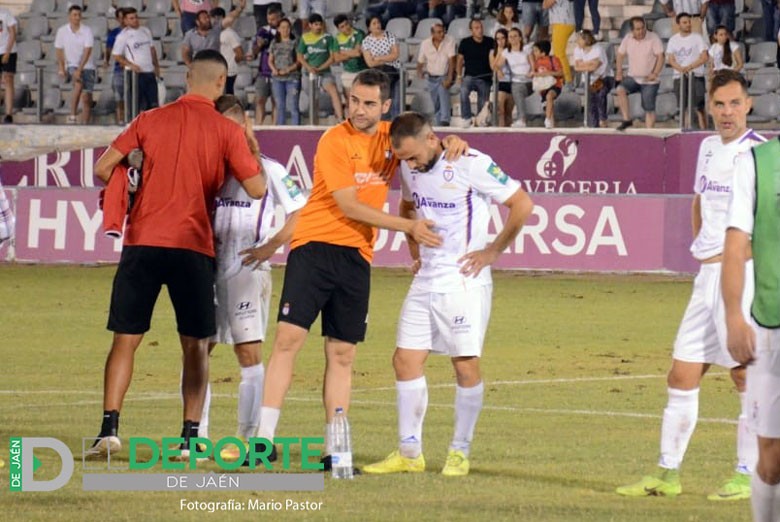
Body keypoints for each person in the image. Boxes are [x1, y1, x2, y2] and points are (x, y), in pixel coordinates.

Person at [253, 69, 467, 470]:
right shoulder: (334, 140)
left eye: (369, 103)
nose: (358, 109)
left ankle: (334, 449)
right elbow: (349, 205)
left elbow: (428, 145)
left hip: (357, 257)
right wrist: (409, 228)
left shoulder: (392, 137)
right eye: (354, 100)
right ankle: (263, 440)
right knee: (287, 340)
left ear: (385, 106)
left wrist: (454, 142)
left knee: (343, 353)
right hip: (315, 246)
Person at [86, 50, 266, 459]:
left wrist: (134, 162)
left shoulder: (149, 119)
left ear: (187, 77)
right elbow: (256, 188)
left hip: (143, 241)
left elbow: (102, 168)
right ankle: (189, 438)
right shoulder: (226, 130)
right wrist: (245, 143)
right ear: (222, 83)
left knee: (126, 339)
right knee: (195, 345)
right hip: (193, 245)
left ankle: (109, 431)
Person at [616, 70, 764, 501]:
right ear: (709, 107)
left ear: (748, 105)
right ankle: (667, 473)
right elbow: (700, 201)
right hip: (706, 279)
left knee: (745, 376)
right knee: (681, 373)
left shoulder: (760, 154)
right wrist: (704, 249)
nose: (726, 112)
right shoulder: (706, 148)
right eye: (719, 104)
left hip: (741, 278)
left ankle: (747, 473)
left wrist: (739, 260)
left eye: (734, 103)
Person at [363, 111, 533, 477]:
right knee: (404, 360)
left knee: (464, 364)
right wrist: (413, 248)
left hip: (463, 281)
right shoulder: (410, 168)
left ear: (432, 139)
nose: (409, 164)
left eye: (412, 155)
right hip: (427, 278)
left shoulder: (471, 163)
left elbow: (522, 204)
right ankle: (409, 452)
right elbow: (408, 207)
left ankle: (459, 451)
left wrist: (492, 252)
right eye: (403, 159)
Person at [198, 94, 305, 459]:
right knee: (200, 349)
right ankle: (197, 436)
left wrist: (270, 246)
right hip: (207, 268)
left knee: (248, 353)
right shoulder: (207, 168)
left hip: (247, 270)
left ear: (244, 125)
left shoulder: (269, 169)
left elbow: (300, 212)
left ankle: (248, 441)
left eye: (232, 126)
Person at [723, 92, 780, 522]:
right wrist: (733, 316)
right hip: (772, 325)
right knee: (772, 458)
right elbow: (736, 245)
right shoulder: (757, 163)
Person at [615, 17, 664, 130]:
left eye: (643, 28)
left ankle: (649, 132)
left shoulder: (653, 37)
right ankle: (627, 119)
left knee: (649, 108)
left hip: (649, 80)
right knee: (620, 89)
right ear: (632, 30)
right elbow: (620, 55)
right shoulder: (627, 38)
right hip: (633, 77)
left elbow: (660, 56)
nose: (641, 31)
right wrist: (619, 71)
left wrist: (655, 73)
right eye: (637, 29)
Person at [112, 8, 161, 113]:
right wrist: (131, 65)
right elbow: (116, 55)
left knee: (153, 104)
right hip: (136, 74)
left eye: (136, 17)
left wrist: (156, 66)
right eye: (131, 18)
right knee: (138, 104)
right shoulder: (123, 36)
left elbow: (152, 49)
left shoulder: (145, 31)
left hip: (149, 71)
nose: (135, 20)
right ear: (125, 20)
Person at [297, 13, 344, 123]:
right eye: (316, 24)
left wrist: (321, 68)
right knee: (314, 98)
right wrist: (309, 68)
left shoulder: (328, 38)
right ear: (310, 25)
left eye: (320, 24)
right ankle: (315, 123)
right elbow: (299, 56)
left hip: (324, 72)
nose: (318, 27)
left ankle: (341, 119)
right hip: (309, 73)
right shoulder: (305, 38)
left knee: (333, 90)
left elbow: (332, 57)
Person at [666, 12, 708, 129]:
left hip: (696, 75)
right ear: (679, 24)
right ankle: (685, 128)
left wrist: (689, 67)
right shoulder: (673, 40)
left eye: (689, 22)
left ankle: (703, 129)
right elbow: (671, 59)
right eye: (685, 22)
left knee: (698, 105)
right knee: (683, 106)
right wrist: (680, 69)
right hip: (679, 76)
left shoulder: (697, 38)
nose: (688, 25)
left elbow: (704, 57)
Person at [54, 5, 96, 124]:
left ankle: (85, 123)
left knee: (87, 97)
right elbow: (59, 50)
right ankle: (72, 115)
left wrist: (81, 68)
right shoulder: (62, 31)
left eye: (79, 15)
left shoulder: (87, 30)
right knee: (78, 84)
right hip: (72, 64)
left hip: (87, 65)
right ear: (69, 16)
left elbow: (87, 50)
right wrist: (62, 67)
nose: (77, 18)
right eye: (74, 15)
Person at [416, 22, 456, 127]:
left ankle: (445, 121)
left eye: (443, 31)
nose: (442, 34)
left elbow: (452, 60)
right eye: (438, 32)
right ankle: (440, 126)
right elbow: (420, 61)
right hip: (431, 77)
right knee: (436, 104)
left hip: (444, 75)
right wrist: (419, 71)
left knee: (444, 98)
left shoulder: (450, 40)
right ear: (432, 33)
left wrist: (450, 77)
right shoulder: (425, 44)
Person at [361, 15, 402, 120]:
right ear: (369, 27)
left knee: (395, 100)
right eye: (374, 23)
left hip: (393, 72)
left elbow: (395, 55)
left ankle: (395, 123)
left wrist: (378, 58)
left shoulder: (390, 36)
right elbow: (370, 63)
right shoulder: (366, 41)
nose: (377, 25)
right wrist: (386, 58)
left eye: (378, 23)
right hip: (377, 76)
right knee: (382, 100)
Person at [456, 19, 494, 128]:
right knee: (463, 91)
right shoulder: (465, 42)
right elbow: (459, 60)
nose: (480, 30)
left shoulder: (490, 41)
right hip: (470, 76)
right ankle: (466, 117)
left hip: (485, 77)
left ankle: (480, 120)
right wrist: (459, 75)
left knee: (482, 103)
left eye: (481, 27)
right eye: (476, 28)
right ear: (471, 30)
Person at [181, 2, 244, 67]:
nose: (208, 20)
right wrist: (190, 65)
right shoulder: (190, 35)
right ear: (198, 22)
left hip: (215, 64)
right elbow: (185, 52)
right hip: (199, 66)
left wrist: (240, 8)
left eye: (208, 17)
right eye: (205, 18)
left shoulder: (216, 29)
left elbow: (230, 18)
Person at [574, 29, 611, 128]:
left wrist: (584, 64)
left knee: (600, 95)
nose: (577, 41)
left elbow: (595, 66)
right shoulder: (577, 50)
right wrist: (590, 62)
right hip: (588, 80)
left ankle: (603, 119)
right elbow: (577, 67)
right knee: (591, 100)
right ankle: (594, 125)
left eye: (579, 39)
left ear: (586, 39)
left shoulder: (598, 49)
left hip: (603, 77)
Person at [252, 4, 281, 125]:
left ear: (279, 17)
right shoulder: (263, 31)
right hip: (263, 71)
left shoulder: (284, 30)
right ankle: (258, 126)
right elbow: (255, 51)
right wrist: (258, 45)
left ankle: (274, 127)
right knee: (259, 100)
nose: (271, 22)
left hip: (278, 72)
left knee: (276, 101)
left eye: (273, 19)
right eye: (269, 19)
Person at [268, 18, 300, 125]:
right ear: (278, 29)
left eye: (287, 27)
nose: (285, 30)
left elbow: (299, 61)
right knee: (280, 106)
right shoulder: (274, 43)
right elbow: (270, 60)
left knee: (293, 106)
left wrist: (287, 70)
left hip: (292, 78)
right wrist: (274, 69)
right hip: (278, 79)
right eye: (283, 27)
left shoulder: (295, 42)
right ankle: (281, 130)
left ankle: (296, 131)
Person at [332, 14, 367, 107]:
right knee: (349, 101)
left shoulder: (359, 33)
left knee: (362, 101)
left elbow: (358, 53)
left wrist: (343, 52)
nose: (346, 28)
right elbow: (336, 58)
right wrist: (350, 53)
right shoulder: (337, 38)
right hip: (347, 71)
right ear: (338, 29)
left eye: (347, 24)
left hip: (361, 71)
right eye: (342, 27)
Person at [531, 40, 563, 129]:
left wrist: (548, 73)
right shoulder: (536, 62)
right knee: (549, 108)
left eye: (536, 51)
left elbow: (561, 73)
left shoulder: (554, 60)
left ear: (543, 52)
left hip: (555, 85)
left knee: (549, 96)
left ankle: (547, 119)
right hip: (543, 89)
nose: (534, 53)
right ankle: (551, 126)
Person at [504, 28, 533, 128]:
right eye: (510, 36)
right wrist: (499, 71)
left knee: (517, 88)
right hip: (517, 80)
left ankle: (522, 118)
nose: (513, 38)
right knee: (516, 88)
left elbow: (532, 65)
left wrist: (531, 72)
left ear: (520, 38)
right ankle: (522, 119)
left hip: (529, 81)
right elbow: (496, 65)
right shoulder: (506, 52)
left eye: (515, 36)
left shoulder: (526, 49)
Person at [212, 8, 244, 95]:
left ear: (224, 18)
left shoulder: (229, 33)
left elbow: (240, 53)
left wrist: (232, 64)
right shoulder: (212, 33)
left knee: (228, 98)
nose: (216, 20)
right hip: (217, 70)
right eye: (213, 18)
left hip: (229, 72)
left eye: (218, 17)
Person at [543, 0, 575, 85]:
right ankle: (564, 79)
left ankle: (568, 80)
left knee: (559, 54)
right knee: (558, 53)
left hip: (563, 22)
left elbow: (546, 4)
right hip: (560, 22)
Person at [105, 8, 127, 124]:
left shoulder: (134, 32)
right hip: (119, 69)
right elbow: (109, 49)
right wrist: (106, 60)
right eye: (120, 17)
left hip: (133, 71)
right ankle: (120, 120)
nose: (123, 20)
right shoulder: (114, 33)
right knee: (119, 97)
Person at [489, 29, 513, 127]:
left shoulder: (511, 51)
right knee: (501, 111)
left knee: (508, 112)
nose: (500, 41)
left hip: (511, 82)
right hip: (500, 83)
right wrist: (499, 53)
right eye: (498, 39)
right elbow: (492, 66)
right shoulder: (492, 52)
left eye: (503, 38)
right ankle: (501, 134)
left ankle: (509, 136)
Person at [0, 6, 18, 124]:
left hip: (8, 51)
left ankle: (8, 114)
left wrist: (7, 51)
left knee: (8, 79)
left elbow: (12, 32)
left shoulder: (5, 13)